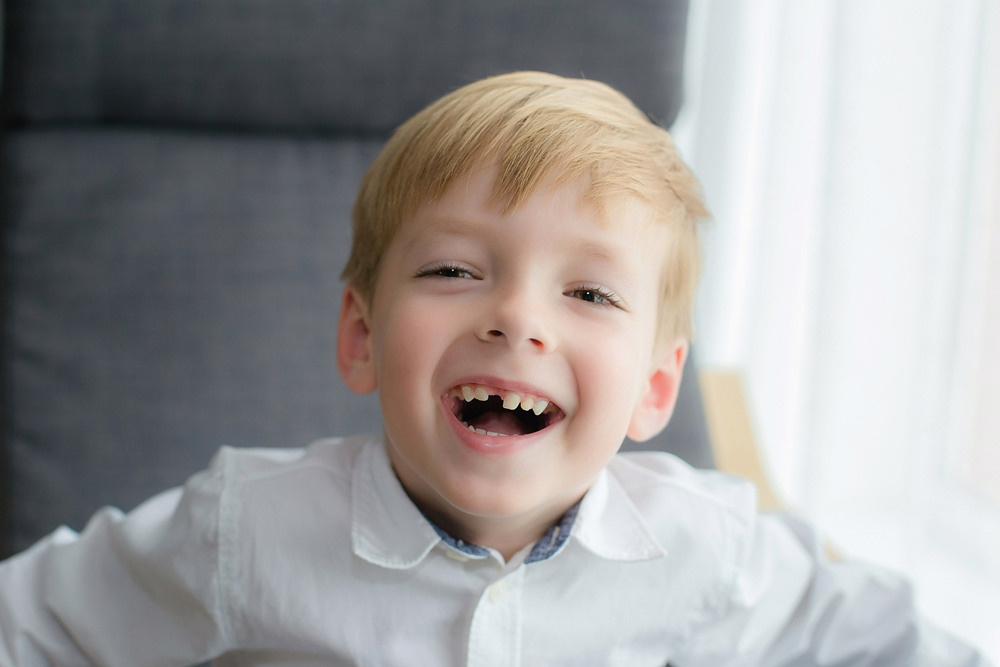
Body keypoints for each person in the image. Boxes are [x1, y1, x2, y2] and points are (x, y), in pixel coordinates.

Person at [0, 71, 988, 666]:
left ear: (654, 386)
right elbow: (29, 625)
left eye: (589, 294)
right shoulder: (243, 529)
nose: (515, 316)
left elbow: (891, 642)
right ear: (359, 337)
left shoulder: (709, 547)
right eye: (452, 270)